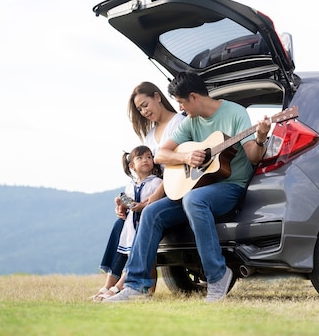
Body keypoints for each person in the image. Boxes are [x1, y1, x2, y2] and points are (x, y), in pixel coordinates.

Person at [105, 72, 271, 303]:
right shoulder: (191, 122)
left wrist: (261, 138)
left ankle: (218, 276)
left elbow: (253, 156)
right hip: (194, 189)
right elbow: (161, 155)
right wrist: (185, 156)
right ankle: (137, 287)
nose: (181, 109)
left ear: (193, 97)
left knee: (194, 200)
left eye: (181, 103)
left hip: (230, 186)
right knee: (152, 212)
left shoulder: (235, 113)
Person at [91, 82, 185, 299]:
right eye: (140, 109)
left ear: (157, 96)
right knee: (120, 223)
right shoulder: (150, 136)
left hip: (172, 191)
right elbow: (142, 178)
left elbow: (174, 169)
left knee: (144, 218)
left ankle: (129, 286)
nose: (144, 112)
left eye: (145, 105)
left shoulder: (179, 123)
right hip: (149, 196)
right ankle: (110, 283)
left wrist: (152, 199)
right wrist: (124, 203)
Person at [93, 145, 163, 301]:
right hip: (130, 227)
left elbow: (153, 203)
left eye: (149, 157)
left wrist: (141, 206)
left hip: (143, 225)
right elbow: (129, 204)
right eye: (140, 158)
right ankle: (111, 286)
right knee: (125, 249)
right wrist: (120, 203)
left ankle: (117, 287)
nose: (146, 160)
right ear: (132, 165)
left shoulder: (157, 183)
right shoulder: (130, 186)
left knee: (134, 255)